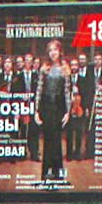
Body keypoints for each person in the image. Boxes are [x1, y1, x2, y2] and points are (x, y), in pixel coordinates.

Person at [34, 40, 70, 182]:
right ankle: (45, 175)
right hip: (46, 107)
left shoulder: (65, 68)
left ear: (59, 51)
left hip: (59, 107)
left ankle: (58, 175)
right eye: (50, 50)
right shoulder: (44, 68)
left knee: (57, 141)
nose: (53, 52)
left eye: (55, 50)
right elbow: (39, 90)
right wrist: (36, 111)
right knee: (48, 141)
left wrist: (67, 112)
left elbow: (67, 91)